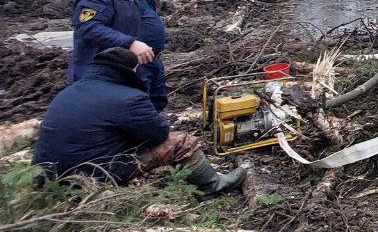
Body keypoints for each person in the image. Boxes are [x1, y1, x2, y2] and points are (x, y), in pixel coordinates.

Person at [32, 47, 246, 194]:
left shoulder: (70, 91)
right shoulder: (128, 98)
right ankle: (213, 186)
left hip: (46, 175)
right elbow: (158, 134)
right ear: (128, 71)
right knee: (180, 142)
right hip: (88, 176)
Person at [69, 0, 169, 112]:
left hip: (147, 61)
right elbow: (88, 28)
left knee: (154, 106)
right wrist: (130, 43)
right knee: (127, 110)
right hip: (117, 68)